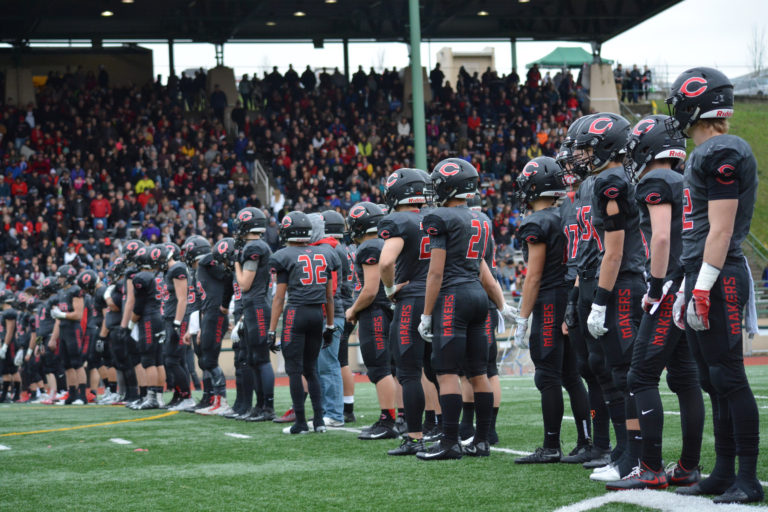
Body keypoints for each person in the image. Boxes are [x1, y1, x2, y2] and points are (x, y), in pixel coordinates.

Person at [667, 67, 762, 504]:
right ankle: (724, 470)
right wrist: (689, 285)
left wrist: (701, 286)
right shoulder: (704, 154)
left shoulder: (722, 150)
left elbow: (721, 231)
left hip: (718, 274)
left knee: (729, 377)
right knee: (711, 379)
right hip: (704, 272)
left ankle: (747, 476)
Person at [605, 114, 704, 490]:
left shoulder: (655, 180)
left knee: (640, 375)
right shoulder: (683, 178)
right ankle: (688, 466)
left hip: (671, 285)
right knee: (686, 377)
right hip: (690, 282)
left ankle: (649, 466)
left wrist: (657, 285)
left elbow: (661, 238)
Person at [416, 158, 516, 460]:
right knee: (478, 372)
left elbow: (435, 273)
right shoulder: (482, 219)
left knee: (446, 372)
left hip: (452, 297)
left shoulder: (440, 217)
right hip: (477, 296)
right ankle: (482, 440)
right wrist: (500, 302)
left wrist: (425, 313)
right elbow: (483, 268)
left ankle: (449, 442)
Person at [512, 157, 592, 464]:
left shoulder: (537, 222)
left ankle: (551, 445)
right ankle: (585, 440)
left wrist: (522, 317)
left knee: (547, 375)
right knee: (572, 375)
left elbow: (533, 275)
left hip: (549, 300)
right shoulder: (567, 213)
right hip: (571, 296)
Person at [557, 117, 612, 466]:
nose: (574, 159)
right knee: (588, 367)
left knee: (611, 371)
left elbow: (609, 246)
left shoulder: (602, 185)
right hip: (584, 281)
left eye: (582, 151)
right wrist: (575, 297)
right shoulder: (574, 199)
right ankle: (599, 444)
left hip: (606, 283)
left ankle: (617, 448)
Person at [378, 169, 433, 455]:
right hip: (440, 297)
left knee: (409, 372)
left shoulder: (398, 220)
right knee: (440, 371)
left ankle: (414, 436)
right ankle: (444, 430)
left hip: (412, 299)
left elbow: (386, 263)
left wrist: (389, 290)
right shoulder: (436, 217)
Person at [268, 211, 336, 435]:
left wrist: (271, 330)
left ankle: (299, 422)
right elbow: (329, 296)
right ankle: (319, 421)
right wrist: (330, 325)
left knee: (294, 370)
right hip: (317, 315)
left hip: (296, 314)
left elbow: (279, 298)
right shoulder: (324, 254)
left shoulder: (284, 255)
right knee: (311, 370)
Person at [345, 202, 399, 440]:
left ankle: (388, 420)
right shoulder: (389, 242)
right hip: (391, 308)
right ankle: (403, 417)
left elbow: (370, 289)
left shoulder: (370, 247)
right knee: (397, 368)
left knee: (380, 368)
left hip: (375, 310)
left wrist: (352, 310)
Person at [232, 207, 275, 421]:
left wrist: (236, 264)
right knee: (252, 358)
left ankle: (267, 407)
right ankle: (259, 406)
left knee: (260, 358)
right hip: (254, 307)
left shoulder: (255, 247)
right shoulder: (255, 245)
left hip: (257, 305)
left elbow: (245, 283)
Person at [193, 238, 235, 416]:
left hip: (216, 314)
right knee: (206, 360)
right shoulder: (204, 270)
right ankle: (216, 399)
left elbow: (225, 268)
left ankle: (222, 401)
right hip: (210, 315)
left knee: (209, 360)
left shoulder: (206, 261)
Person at [129, 246, 167, 410]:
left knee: (148, 360)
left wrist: (131, 322)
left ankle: (151, 398)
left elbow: (138, 306)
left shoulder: (141, 277)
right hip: (159, 317)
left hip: (149, 319)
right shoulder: (156, 276)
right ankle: (159, 397)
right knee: (158, 360)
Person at [162, 242, 196, 412]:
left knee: (173, 359)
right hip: (172, 317)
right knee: (174, 359)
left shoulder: (178, 269)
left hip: (179, 319)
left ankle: (186, 396)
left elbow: (182, 298)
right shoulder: (172, 270)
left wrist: (177, 322)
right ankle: (179, 395)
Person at [49, 265, 87, 405]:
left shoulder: (76, 290)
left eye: (61, 276)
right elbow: (60, 319)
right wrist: (54, 337)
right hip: (64, 329)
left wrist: (62, 314)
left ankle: (82, 395)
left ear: (68, 277)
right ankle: (72, 394)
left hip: (73, 329)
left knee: (77, 363)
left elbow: (78, 315)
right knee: (66, 364)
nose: (59, 279)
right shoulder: (61, 292)